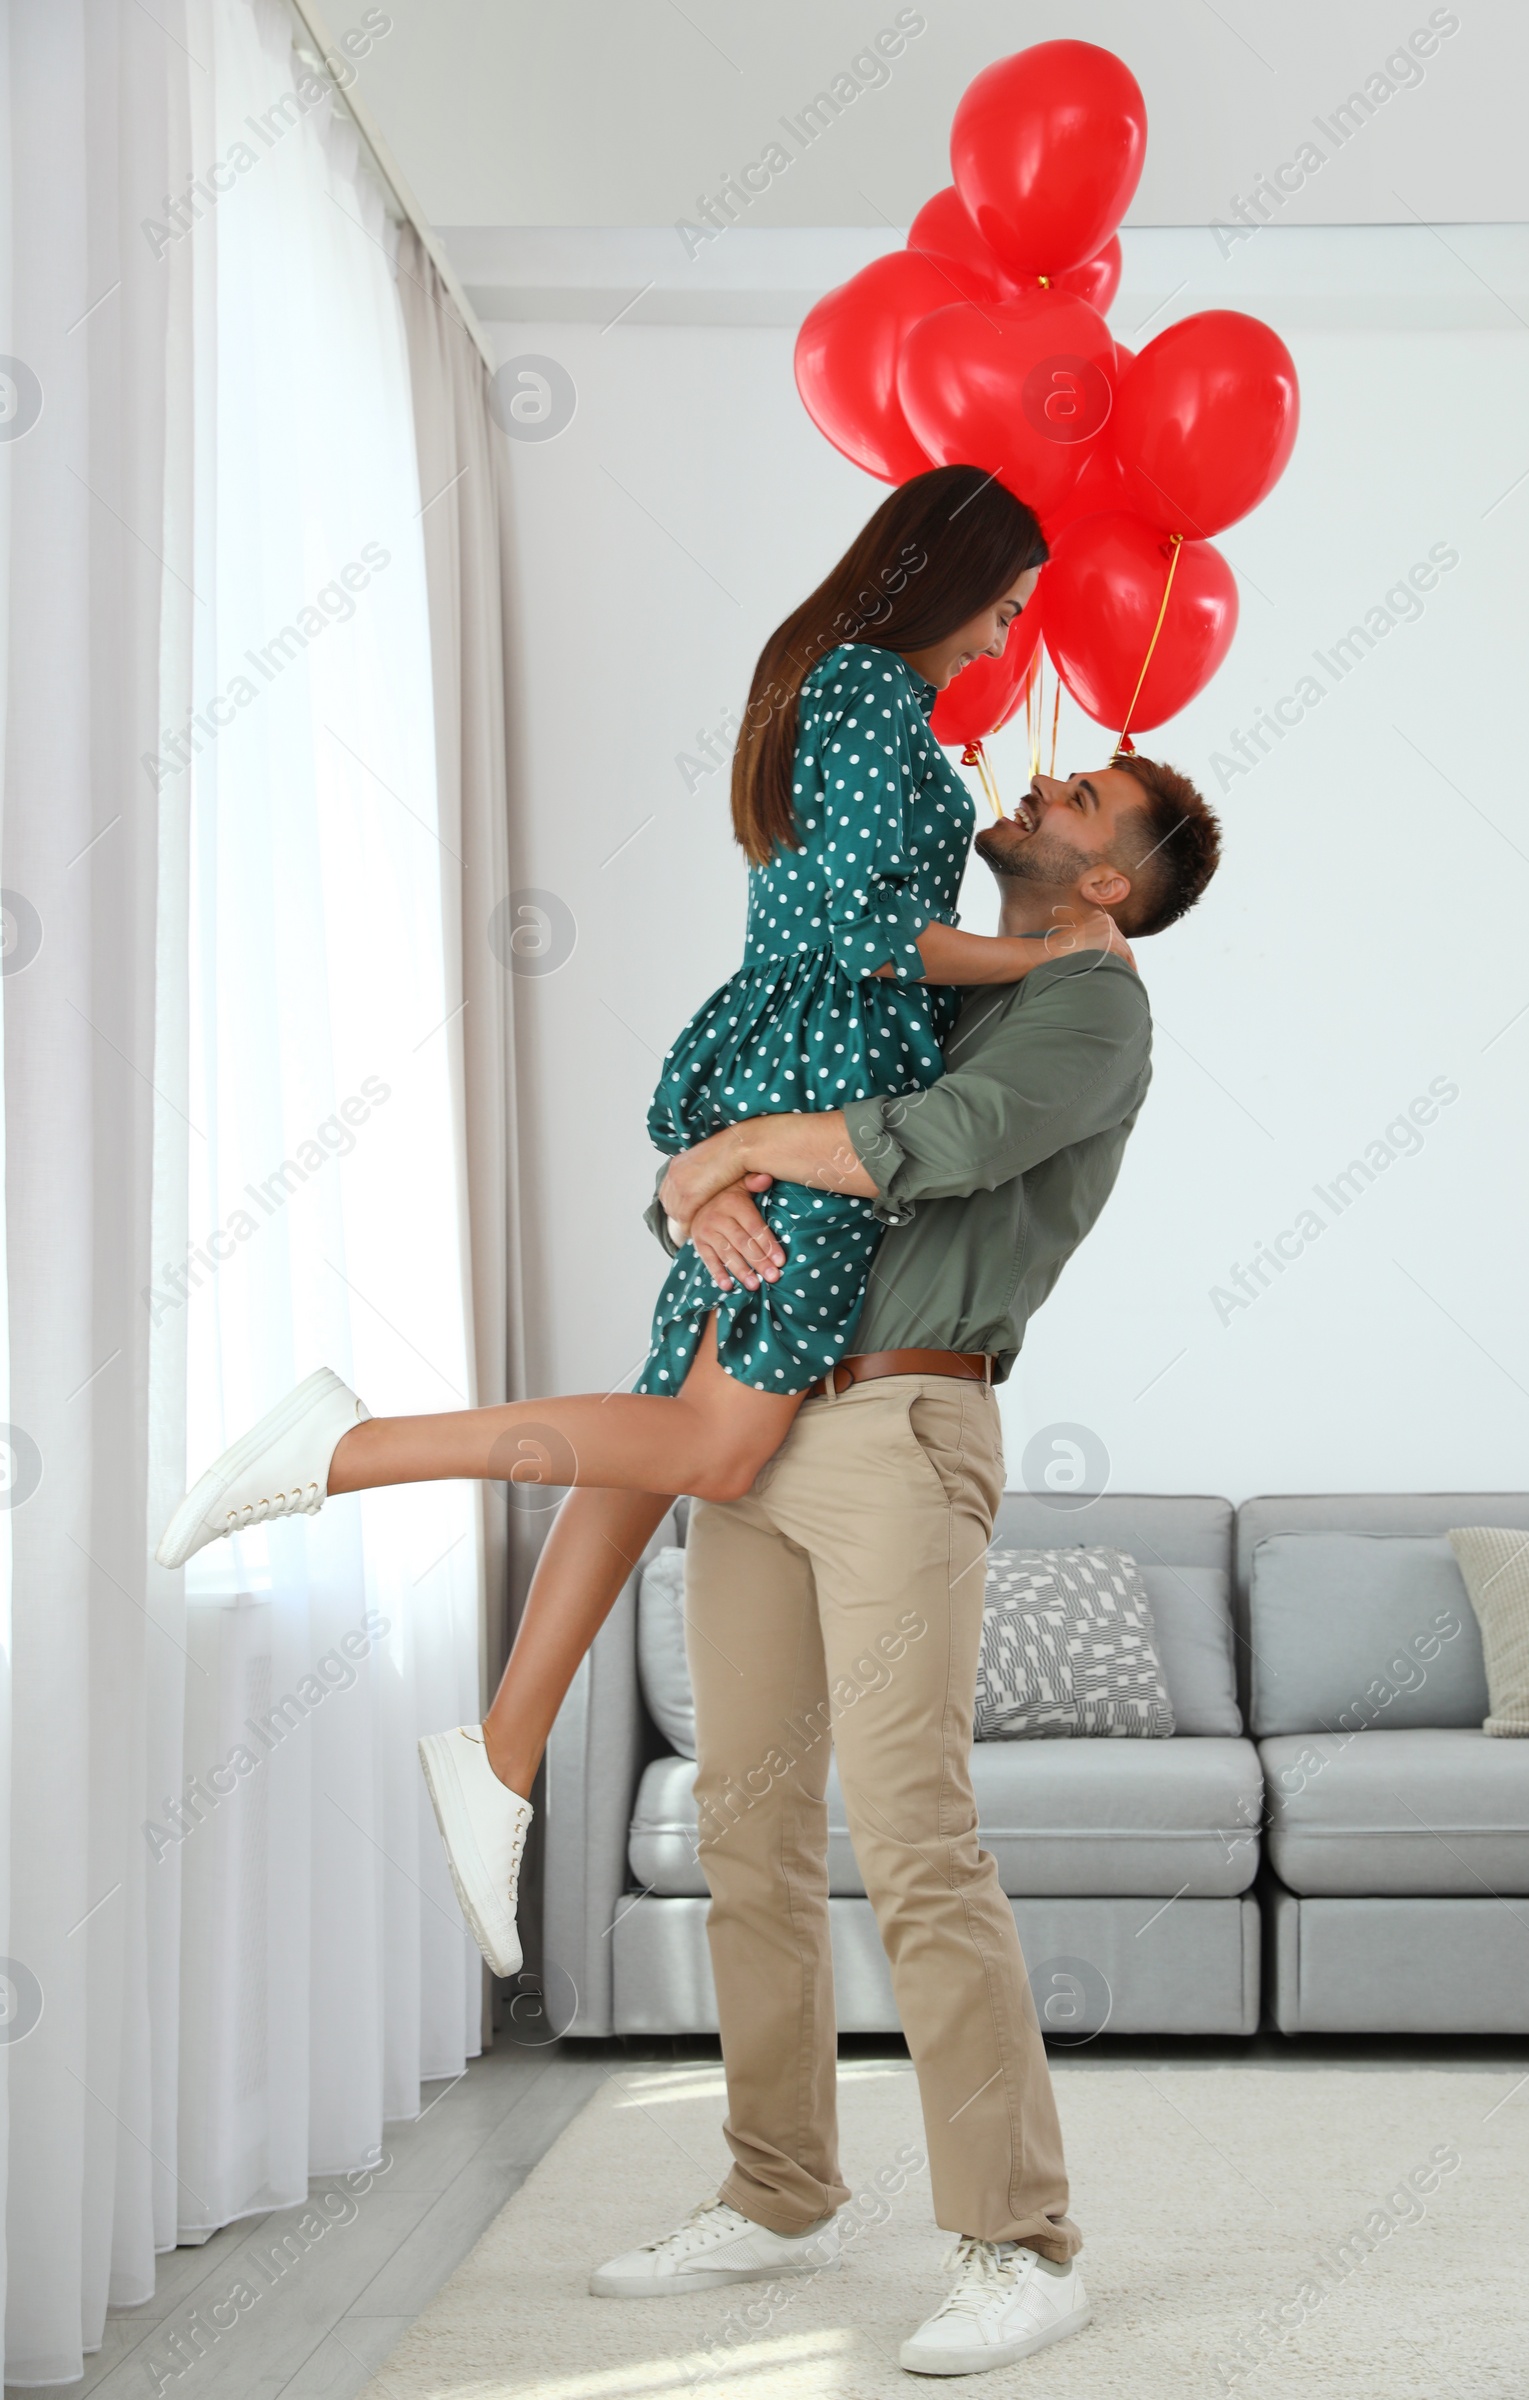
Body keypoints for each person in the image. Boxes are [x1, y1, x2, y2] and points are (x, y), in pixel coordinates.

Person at [155, 464, 1110, 1973]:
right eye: (1001, 605)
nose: (1002, 641)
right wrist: (1055, 961)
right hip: (822, 1065)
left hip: (795, 1055)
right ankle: (341, 1451)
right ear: (944, 575)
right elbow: (866, 931)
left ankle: (504, 1756)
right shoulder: (866, 689)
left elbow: (838, 915)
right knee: (723, 1444)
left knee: (662, 1422)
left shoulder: (833, 686)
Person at [587, 750, 1220, 2375]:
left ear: (1110, 884)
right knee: (747, 1829)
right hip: (757, 1418)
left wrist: (742, 1152)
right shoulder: (921, 968)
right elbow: (740, 1121)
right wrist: (691, 1179)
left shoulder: (1093, 1009)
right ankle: (778, 2187)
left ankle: (1023, 2244)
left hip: (902, 1433)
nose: (1038, 784)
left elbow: (916, 1146)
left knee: (918, 1839)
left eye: (1081, 801)